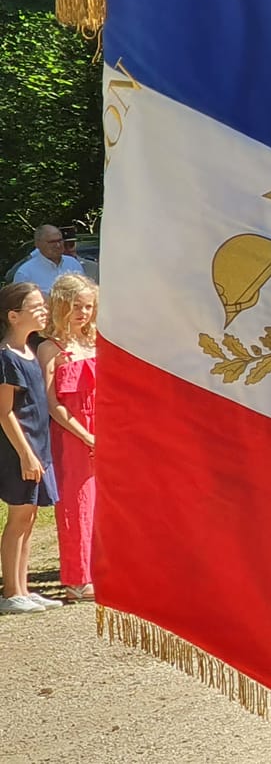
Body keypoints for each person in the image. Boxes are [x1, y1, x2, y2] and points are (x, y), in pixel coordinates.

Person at [0, 282, 59, 614]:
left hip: (38, 445)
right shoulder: (7, 358)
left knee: (30, 516)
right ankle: (10, 591)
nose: (44, 310)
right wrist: (25, 453)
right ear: (13, 315)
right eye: (36, 306)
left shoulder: (29, 351)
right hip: (19, 450)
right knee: (19, 515)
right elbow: (4, 411)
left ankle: (23, 587)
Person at [39, 274, 96, 601]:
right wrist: (87, 435)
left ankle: (100, 568)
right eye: (76, 306)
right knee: (77, 503)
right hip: (71, 433)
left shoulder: (93, 342)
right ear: (61, 305)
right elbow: (52, 403)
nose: (83, 312)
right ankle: (77, 579)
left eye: (88, 306)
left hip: (104, 428)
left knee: (104, 503)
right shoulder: (50, 348)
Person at [12, 225, 83, 295]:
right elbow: (19, 302)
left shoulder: (73, 263)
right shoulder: (25, 273)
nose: (58, 245)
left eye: (60, 240)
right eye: (52, 242)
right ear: (38, 244)